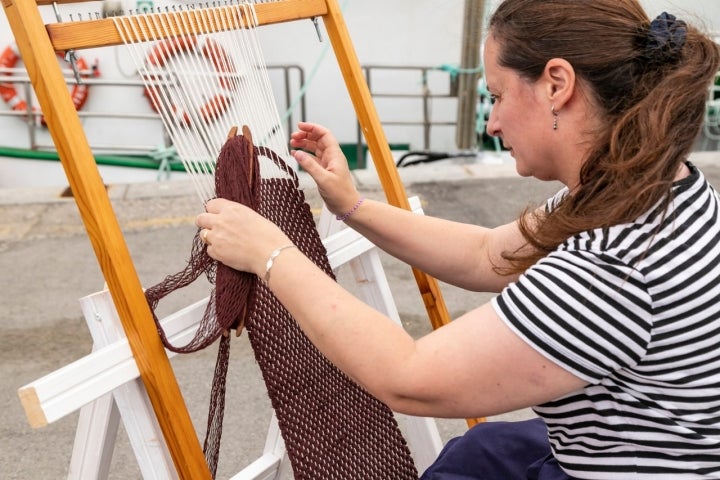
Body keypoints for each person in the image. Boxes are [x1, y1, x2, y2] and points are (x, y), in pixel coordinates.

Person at [195, 0, 720, 478]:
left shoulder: (613, 263)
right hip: (625, 447)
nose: (490, 122)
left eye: (496, 95)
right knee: (477, 453)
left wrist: (268, 253)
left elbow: (408, 376)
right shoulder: (644, 187)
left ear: (557, 84)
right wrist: (351, 206)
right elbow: (488, 255)